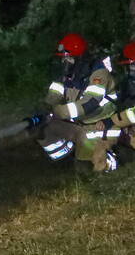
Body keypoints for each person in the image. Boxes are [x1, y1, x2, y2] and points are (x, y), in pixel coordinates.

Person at [30, 33, 119, 171]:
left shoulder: (98, 74)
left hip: (99, 126)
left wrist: (59, 111)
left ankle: (110, 160)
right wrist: (45, 107)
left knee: (85, 168)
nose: (65, 61)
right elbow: (55, 94)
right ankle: (63, 160)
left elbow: (90, 103)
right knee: (42, 128)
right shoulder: (67, 73)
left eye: (68, 57)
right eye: (64, 58)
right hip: (78, 124)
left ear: (79, 58)